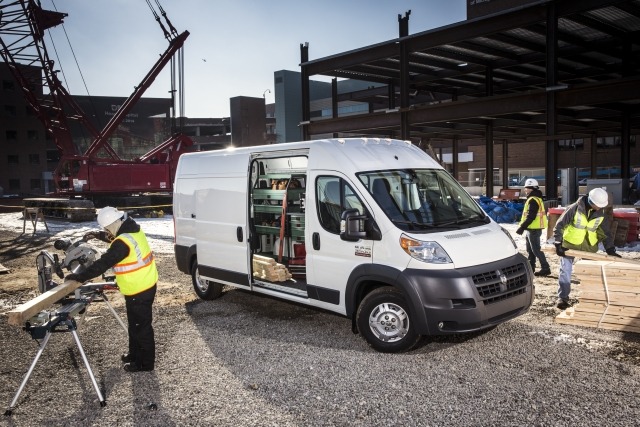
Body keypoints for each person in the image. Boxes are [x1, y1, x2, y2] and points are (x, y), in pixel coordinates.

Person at [65, 206, 158, 372]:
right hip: (142, 284)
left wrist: (80, 277)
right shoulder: (132, 230)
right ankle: (134, 354)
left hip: (139, 288)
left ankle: (145, 363)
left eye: (106, 228)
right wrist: (97, 235)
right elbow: (113, 238)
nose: (107, 231)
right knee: (134, 324)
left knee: (141, 327)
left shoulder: (123, 243)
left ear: (113, 224)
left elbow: (103, 263)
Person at [552, 187, 620, 310]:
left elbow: (606, 233)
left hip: (588, 247)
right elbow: (560, 225)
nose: (600, 207)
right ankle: (562, 298)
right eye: (598, 205)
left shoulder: (601, 214)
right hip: (570, 245)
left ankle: (590, 299)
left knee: (590, 273)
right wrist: (558, 243)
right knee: (565, 271)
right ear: (591, 201)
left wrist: (610, 249)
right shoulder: (574, 208)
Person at [515, 178, 551, 276]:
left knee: (536, 249)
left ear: (530, 188)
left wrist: (522, 227)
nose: (525, 190)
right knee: (530, 250)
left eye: (526, 188)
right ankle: (531, 267)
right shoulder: (535, 198)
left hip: (533, 229)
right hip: (531, 228)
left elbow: (531, 216)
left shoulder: (533, 200)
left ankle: (545, 268)